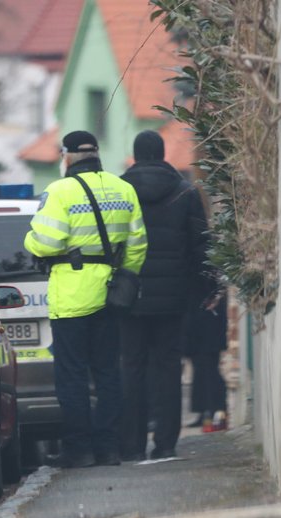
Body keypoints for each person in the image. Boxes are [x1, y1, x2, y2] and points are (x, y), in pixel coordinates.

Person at [23, 130, 147, 468]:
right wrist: (124, 276)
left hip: (72, 298)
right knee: (108, 373)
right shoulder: (124, 189)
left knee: (72, 376)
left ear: (67, 156)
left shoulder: (59, 191)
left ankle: (79, 449)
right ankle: (108, 447)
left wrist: (31, 240)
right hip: (110, 294)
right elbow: (137, 243)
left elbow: (46, 242)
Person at [118, 130, 208, 461]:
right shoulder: (185, 193)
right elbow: (201, 246)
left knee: (132, 367)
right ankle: (166, 443)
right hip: (173, 297)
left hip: (130, 296)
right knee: (168, 368)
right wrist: (204, 289)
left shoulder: (120, 192)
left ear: (135, 155)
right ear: (163, 153)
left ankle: (132, 443)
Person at [185, 282, 229, 432]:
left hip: (208, 315)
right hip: (199, 316)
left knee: (208, 367)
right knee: (201, 367)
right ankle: (206, 410)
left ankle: (217, 411)